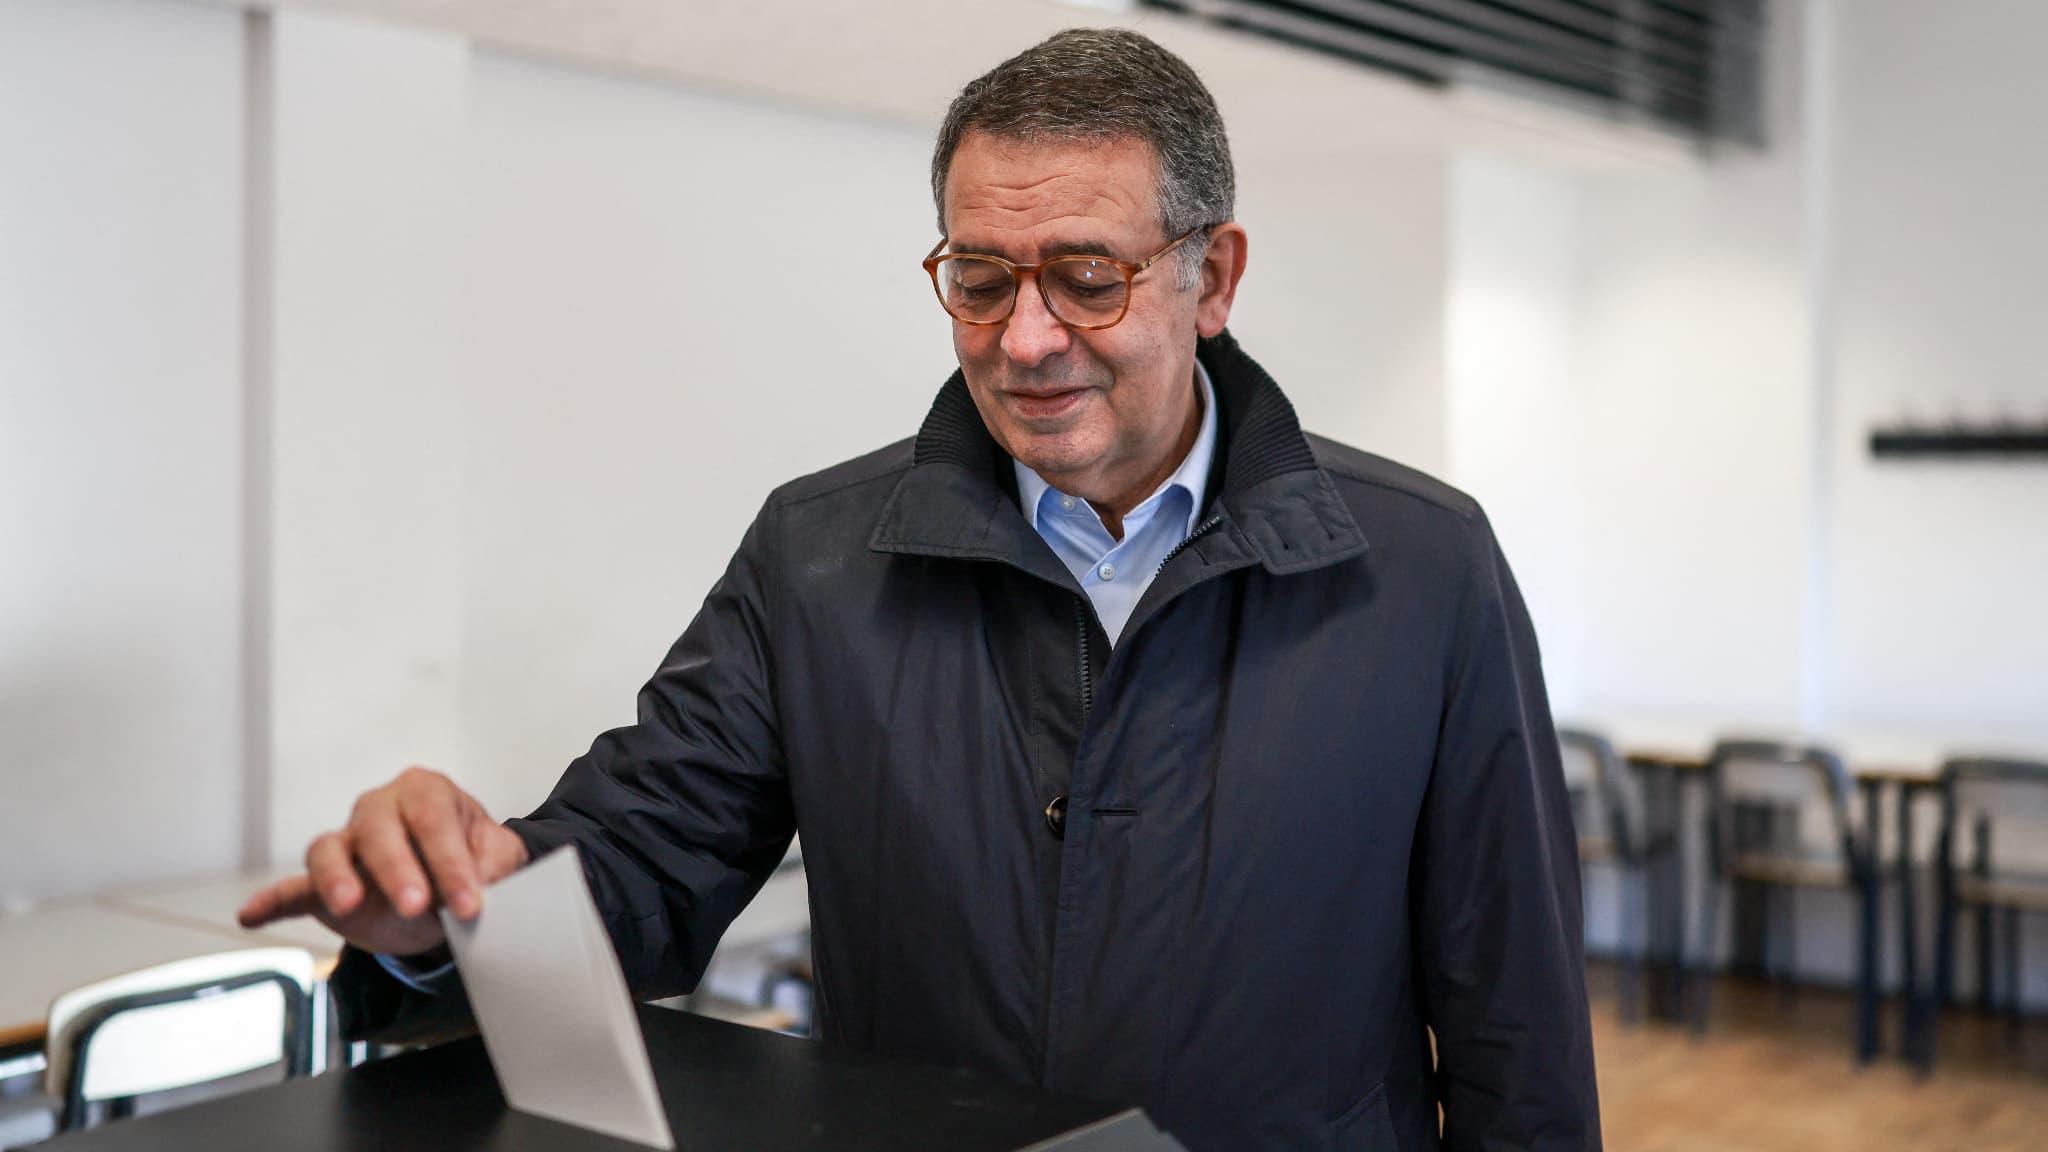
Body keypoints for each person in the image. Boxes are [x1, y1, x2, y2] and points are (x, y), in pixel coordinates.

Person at [241, 27, 1598, 1151]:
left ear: (1213, 277)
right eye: (980, 278)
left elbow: (1515, 1027)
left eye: (1085, 277)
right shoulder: (818, 555)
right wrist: (465, 901)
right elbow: (642, 870)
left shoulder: (1423, 567)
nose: (1025, 340)